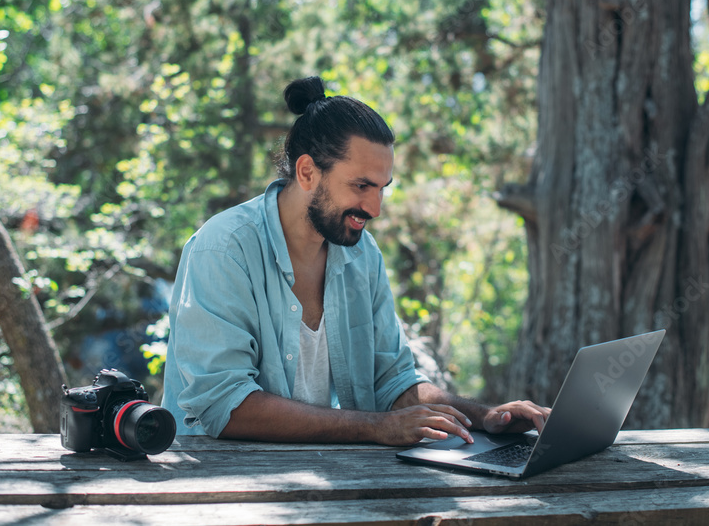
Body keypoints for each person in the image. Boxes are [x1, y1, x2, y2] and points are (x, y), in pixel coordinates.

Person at [160, 76, 550, 444]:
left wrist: (484, 417)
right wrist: (377, 428)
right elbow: (225, 406)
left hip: (330, 482)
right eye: (361, 186)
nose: (375, 208)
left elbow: (393, 381)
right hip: (216, 487)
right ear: (308, 171)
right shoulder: (224, 248)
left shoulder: (363, 255)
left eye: (382, 189)